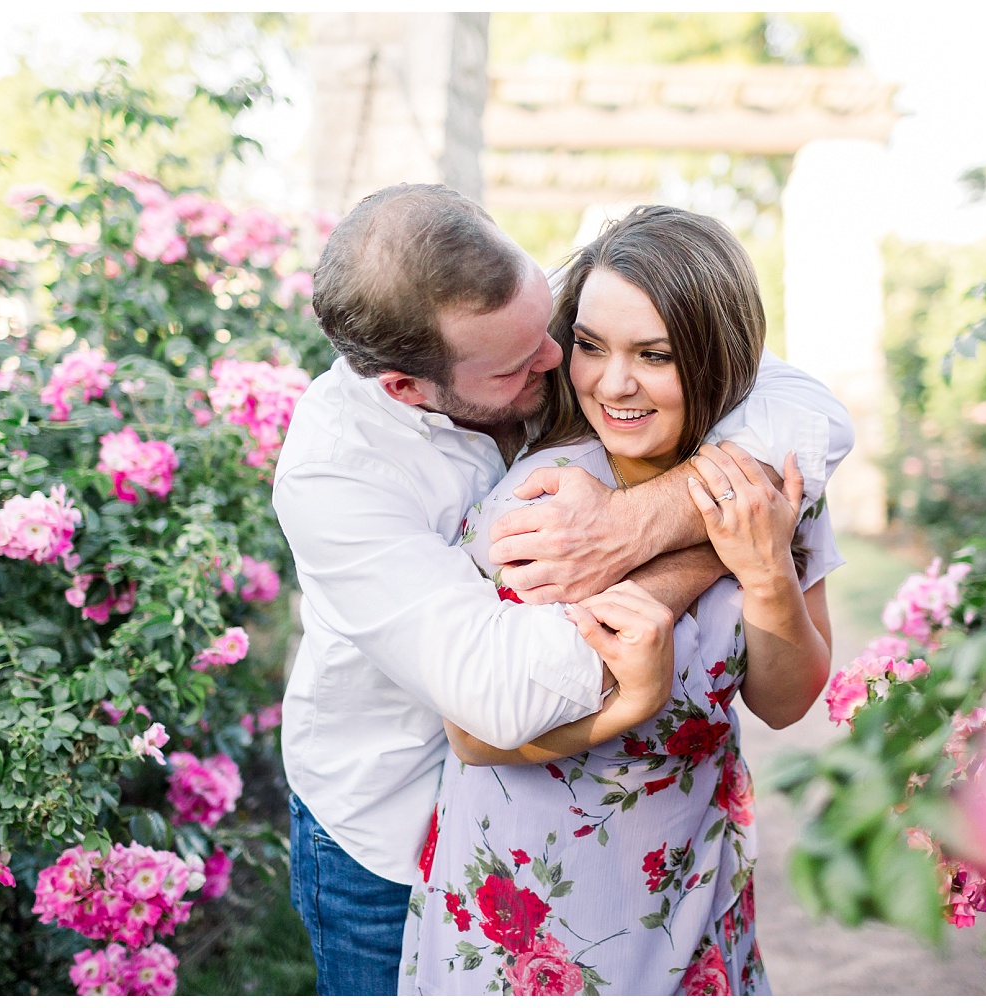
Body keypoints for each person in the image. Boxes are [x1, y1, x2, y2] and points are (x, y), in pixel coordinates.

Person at [272, 184, 853, 995]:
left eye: (556, 331)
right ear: (407, 385)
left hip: (688, 860)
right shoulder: (342, 476)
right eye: (533, 359)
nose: (565, 364)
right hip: (401, 832)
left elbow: (805, 405)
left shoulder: (520, 315)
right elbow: (491, 710)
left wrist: (652, 527)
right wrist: (704, 561)